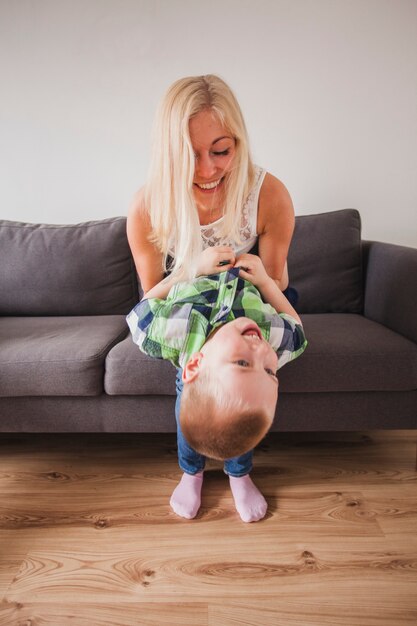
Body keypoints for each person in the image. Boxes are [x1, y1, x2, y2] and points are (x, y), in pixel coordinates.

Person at [127, 74, 298, 521]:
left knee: (240, 396)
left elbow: (276, 283)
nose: (206, 170)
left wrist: (259, 287)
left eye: (220, 151)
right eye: (189, 156)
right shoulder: (147, 206)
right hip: (186, 296)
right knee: (196, 389)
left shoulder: (270, 195)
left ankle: (240, 473)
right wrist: (191, 271)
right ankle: (192, 472)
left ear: (238, 144)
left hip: (257, 294)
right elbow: (152, 301)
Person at [127, 251, 307, 522]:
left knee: (236, 418)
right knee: (231, 415)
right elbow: (298, 332)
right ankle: (192, 472)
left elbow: (140, 314)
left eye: (243, 364)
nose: (260, 351)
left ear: (195, 365)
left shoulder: (177, 330)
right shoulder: (269, 336)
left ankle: (239, 473)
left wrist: (189, 271)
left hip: (197, 277)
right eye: (270, 371)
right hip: (242, 274)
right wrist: (266, 283)